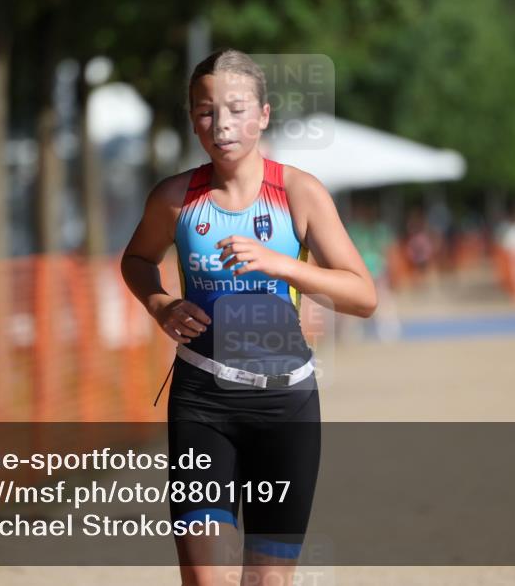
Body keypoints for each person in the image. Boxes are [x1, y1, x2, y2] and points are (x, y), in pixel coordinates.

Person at [121, 49, 376, 586]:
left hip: (285, 405)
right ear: (193, 119)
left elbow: (362, 296)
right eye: (207, 111)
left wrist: (283, 264)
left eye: (236, 109)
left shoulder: (299, 193)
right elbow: (137, 260)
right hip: (202, 401)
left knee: (267, 581)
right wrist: (160, 302)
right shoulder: (175, 199)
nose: (222, 125)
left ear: (263, 114)